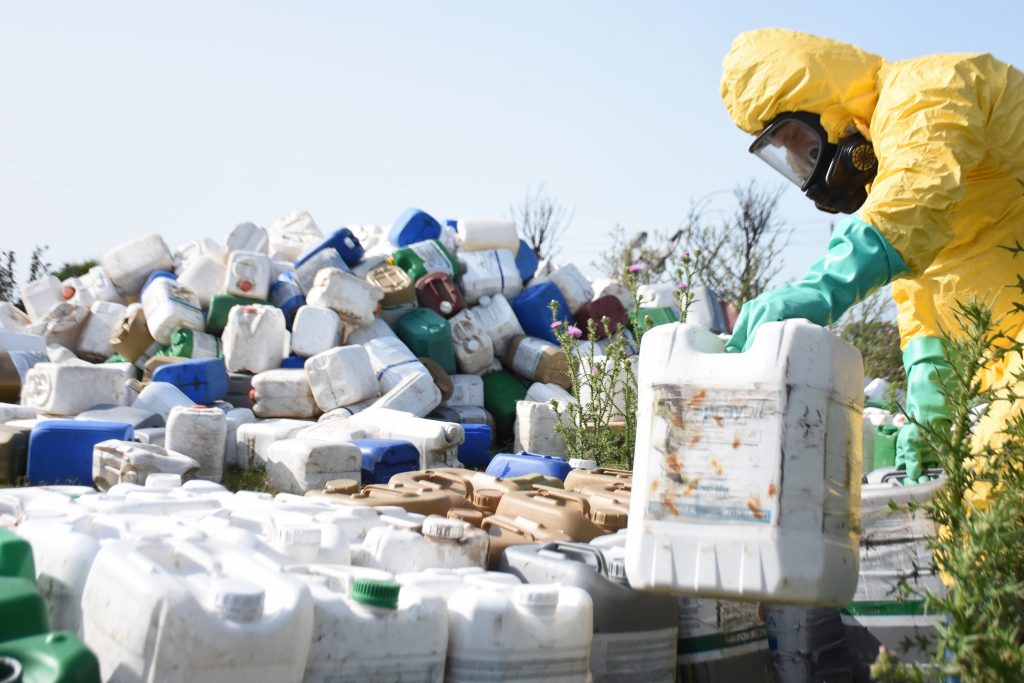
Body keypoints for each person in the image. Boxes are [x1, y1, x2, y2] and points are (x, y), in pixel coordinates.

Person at [719, 29, 1024, 486]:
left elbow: (913, 198)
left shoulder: (928, 90)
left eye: (798, 140)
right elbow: (928, 305)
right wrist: (930, 407)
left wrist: (820, 288)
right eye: (787, 156)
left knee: (998, 467)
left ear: (827, 107)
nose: (805, 163)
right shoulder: (900, 191)